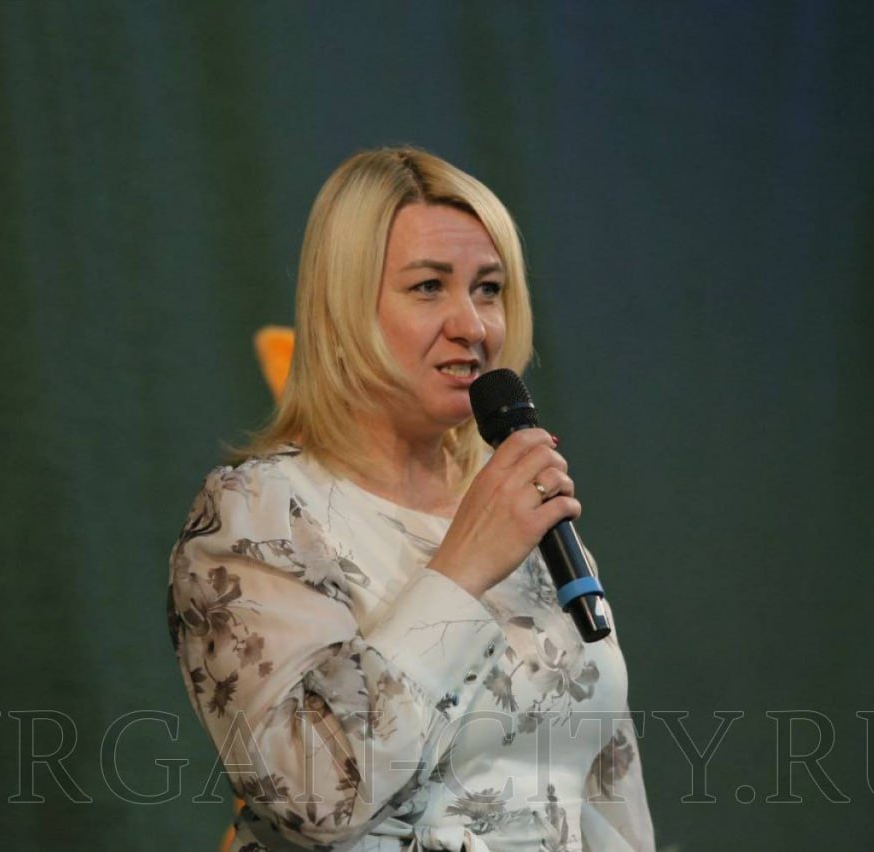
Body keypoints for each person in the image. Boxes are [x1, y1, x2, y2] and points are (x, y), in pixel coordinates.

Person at [168, 147, 654, 851]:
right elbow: (312, 794)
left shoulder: (525, 514)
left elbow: (604, 793)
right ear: (343, 306)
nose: (473, 325)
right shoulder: (260, 511)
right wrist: (460, 571)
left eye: (489, 289)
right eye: (429, 287)